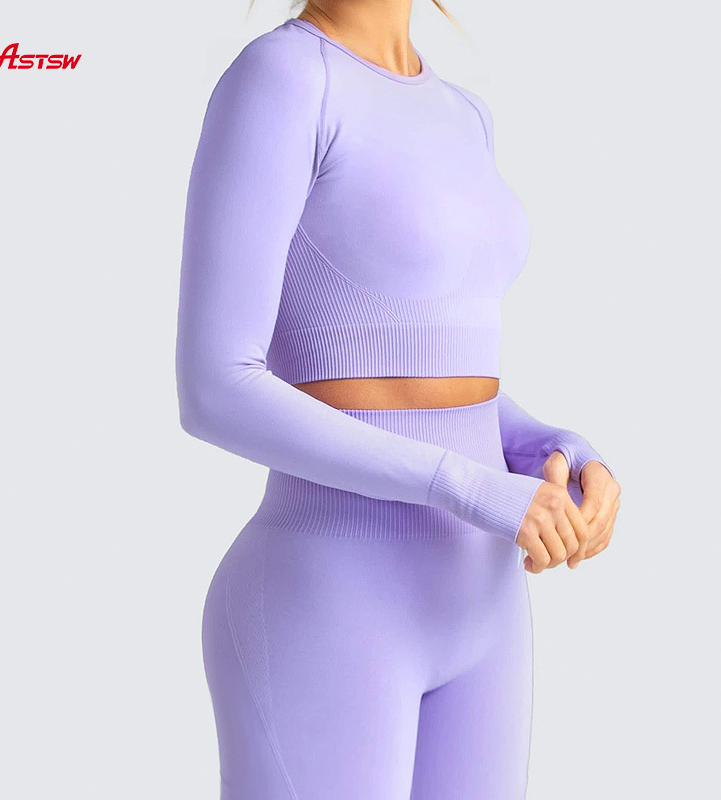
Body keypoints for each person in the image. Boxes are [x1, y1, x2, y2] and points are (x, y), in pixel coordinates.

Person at [176, 2, 622, 797]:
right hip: (330, 600)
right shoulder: (284, 78)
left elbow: (420, 373)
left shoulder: (464, 115)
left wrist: (554, 450)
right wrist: (470, 485)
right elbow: (216, 387)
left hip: (486, 604)